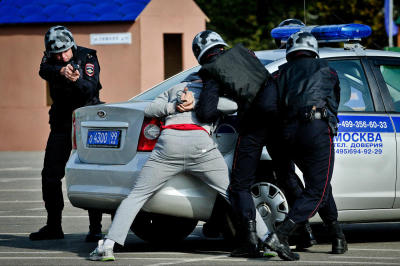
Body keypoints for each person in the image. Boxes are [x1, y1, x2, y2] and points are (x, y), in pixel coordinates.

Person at [88, 73, 279, 261]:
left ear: (188, 80)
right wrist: (202, 102)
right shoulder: (210, 92)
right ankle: (267, 238)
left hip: (169, 144)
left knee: (138, 195)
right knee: (234, 193)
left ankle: (108, 245)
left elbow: (150, 109)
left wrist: (175, 106)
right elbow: (232, 107)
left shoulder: (173, 89)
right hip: (202, 147)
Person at [192, 30, 299, 260]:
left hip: (256, 123)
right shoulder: (247, 53)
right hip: (279, 119)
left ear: (200, 53)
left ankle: (249, 242)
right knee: (286, 173)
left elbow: (205, 112)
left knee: (240, 185)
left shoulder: (210, 69)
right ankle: (305, 231)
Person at [264, 31, 348, 255]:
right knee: (317, 188)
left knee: (319, 186)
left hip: (285, 133)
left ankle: (337, 235)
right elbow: (333, 104)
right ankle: (281, 235)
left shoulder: (278, 74)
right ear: (314, 49)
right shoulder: (328, 71)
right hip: (316, 131)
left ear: (290, 51)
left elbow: (272, 106)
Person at [29, 25, 104, 242]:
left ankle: (95, 229)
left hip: (86, 122)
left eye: (65, 51)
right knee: (50, 175)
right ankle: (54, 226)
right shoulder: (51, 60)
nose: (62, 56)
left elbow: (91, 89)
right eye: (57, 54)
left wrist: (75, 80)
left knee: (90, 174)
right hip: (61, 123)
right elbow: (43, 70)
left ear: (72, 45)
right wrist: (61, 71)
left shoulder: (87, 57)